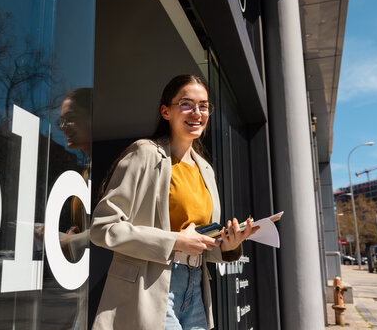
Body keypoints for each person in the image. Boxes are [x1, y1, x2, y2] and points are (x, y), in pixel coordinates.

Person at [90, 74, 259, 330]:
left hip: (196, 287)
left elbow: (199, 242)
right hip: (151, 288)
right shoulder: (145, 153)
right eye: (186, 104)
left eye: (203, 106)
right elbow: (103, 229)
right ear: (166, 111)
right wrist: (176, 241)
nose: (197, 112)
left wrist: (228, 246)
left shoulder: (206, 170)